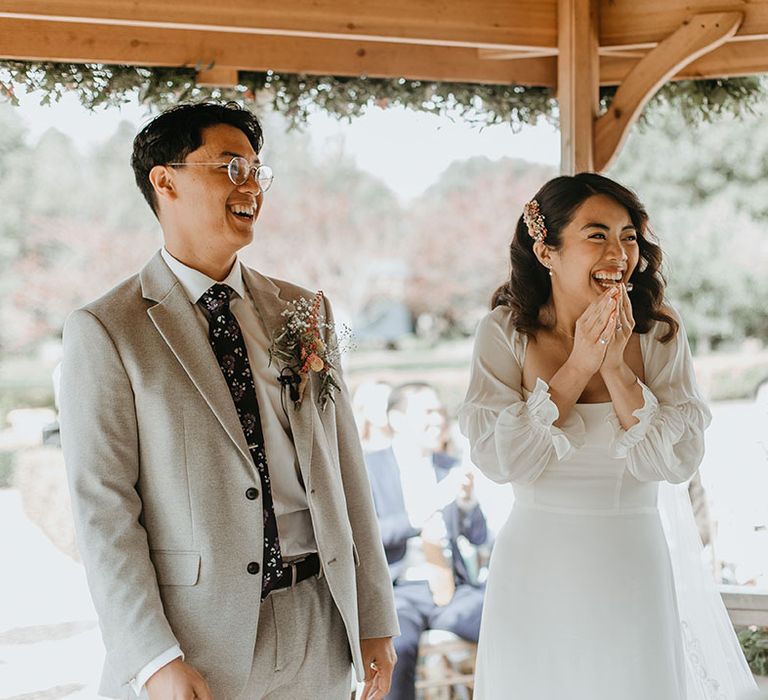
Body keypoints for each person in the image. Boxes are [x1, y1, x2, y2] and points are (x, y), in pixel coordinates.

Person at [59, 102, 398, 700]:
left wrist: (374, 617)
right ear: (164, 181)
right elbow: (104, 511)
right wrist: (153, 657)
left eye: (257, 171)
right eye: (229, 166)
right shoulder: (106, 329)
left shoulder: (304, 311)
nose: (250, 186)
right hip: (195, 642)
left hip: (320, 623)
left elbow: (347, 470)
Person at [458, 173, 757, 699]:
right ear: (546, 250)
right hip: (536, 570)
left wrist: (617, 368)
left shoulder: (661, 334)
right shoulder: (503, 334)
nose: (619, 253)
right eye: (597, 235)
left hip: (631, 565)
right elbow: (502, 461)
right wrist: (579, 365)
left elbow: (678, 460)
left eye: (629, 236)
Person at [365, 382, 488, 700]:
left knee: (505, 620)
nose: (439, 420)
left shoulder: (450, 466)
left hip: (453, 589)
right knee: (398, 648)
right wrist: (424, 509)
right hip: (400, 592)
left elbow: (478, 537)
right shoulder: (370, 468)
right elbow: (367, 536)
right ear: (397, 419)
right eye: (428, 412)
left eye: (441, 412)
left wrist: (466, 504)